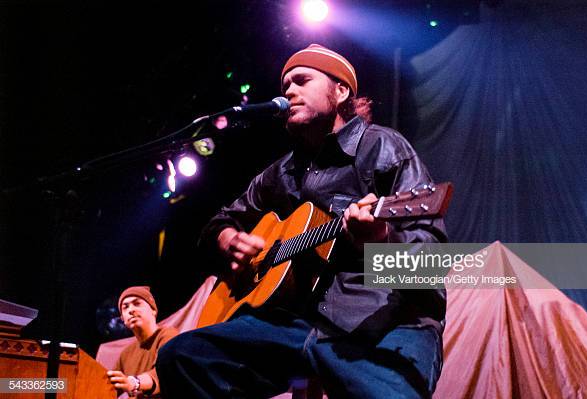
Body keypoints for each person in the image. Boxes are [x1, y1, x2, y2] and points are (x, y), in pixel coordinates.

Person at [157, 44, 447, 398]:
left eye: (302, 80)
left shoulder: (384, 148)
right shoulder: (281, 173)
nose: (289, 91)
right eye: (286, 86)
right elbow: (219, 222)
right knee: (181, 357)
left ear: (341, 91)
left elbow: (431, 264)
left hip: (383, 322)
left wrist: (380, 238)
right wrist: (227, 237)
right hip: (294, 323)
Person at [107, 286, 178, 398]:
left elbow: (163, 374)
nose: (131, 310)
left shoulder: (168, 335)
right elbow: (108, 387)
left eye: (137, 303)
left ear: (153, 310)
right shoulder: (126, 354)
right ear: (123, 319)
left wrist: (134, 382)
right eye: (125, 307)